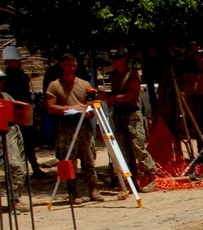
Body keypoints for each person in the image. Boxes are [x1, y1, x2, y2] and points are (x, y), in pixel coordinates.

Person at [45, 53, 103, 203]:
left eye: (74, 65)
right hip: (66, 125)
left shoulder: (84, 84)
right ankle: (73, 192)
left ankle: (93, 189)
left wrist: (90, 111)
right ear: (62, 65)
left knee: (88, 158)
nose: (72, 68)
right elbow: (50, 107)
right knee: (68, 160)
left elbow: (93, 102)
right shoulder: (55, 85)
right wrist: (71, 107)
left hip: (83, 125)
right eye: (69, 65)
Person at [103, 47, 157, 193]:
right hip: (119, 114)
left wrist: (111, 98)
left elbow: (130, 96)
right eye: (112, 59)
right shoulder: (114, 76)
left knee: (138, 147)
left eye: (117, 58)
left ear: (124, 59)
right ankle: (133, 181)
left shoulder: (132, 75)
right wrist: (109, 98)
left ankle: (151, 176)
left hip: (132, 115)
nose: (114, 61)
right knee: (124, 149)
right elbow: (116, 97)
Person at [2, 46, 43, 177]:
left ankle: (34, 167)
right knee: (17, 145)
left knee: (29, 142)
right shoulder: (6, 79)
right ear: (9, 61)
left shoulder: (22, 76)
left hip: (25, 112)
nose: (20, 62)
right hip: (13, 116)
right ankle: (18, 172)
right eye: (16, 60)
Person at [179, 42, 203, 164]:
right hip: (193, 100)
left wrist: (196, 53)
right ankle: (202, 153)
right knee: (197, 128)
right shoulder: (186, 65)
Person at [0, 69, 28, 213]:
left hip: (9, 136)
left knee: (17, 167)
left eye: (1, 80)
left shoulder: (6, 96)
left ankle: (14, 199)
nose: (1, 83)